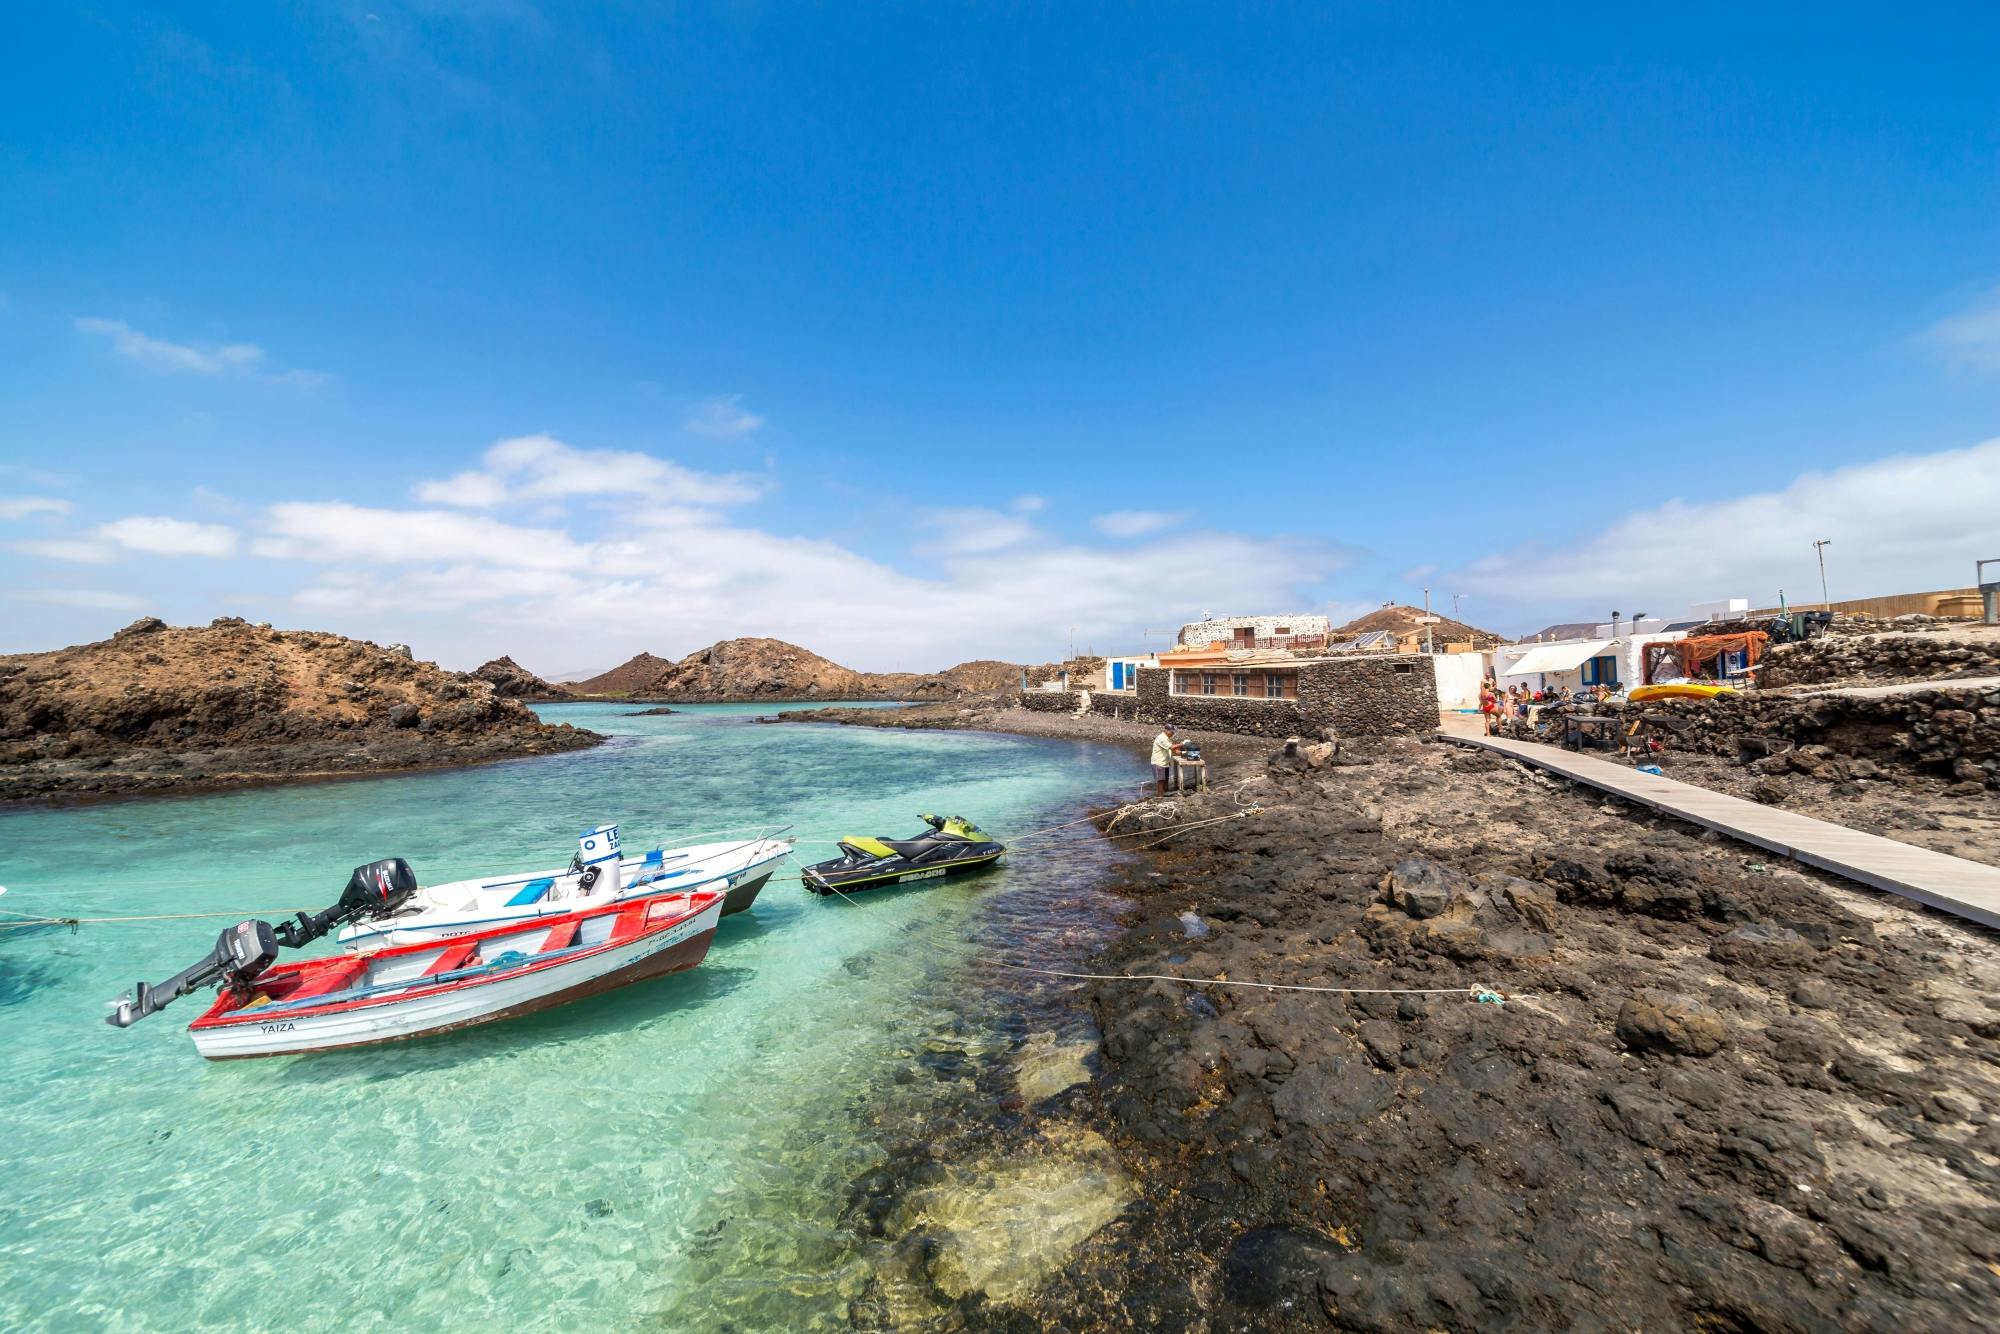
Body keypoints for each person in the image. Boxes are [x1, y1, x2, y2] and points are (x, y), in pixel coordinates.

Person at [1151, 724, 1187, 796]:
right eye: (1172, 732)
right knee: (1160, 782)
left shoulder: (1167, 738)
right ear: (1166, 730)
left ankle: (1165, 795)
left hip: (1165, 763)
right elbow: (1172, 747)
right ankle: (1160, 798)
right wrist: (1182, 743)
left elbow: (1174, 750)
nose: (1173, 734)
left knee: (1165, 781)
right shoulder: (1161, 738)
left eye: (1174, 732)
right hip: (1158, 763)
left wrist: (1184, 753)